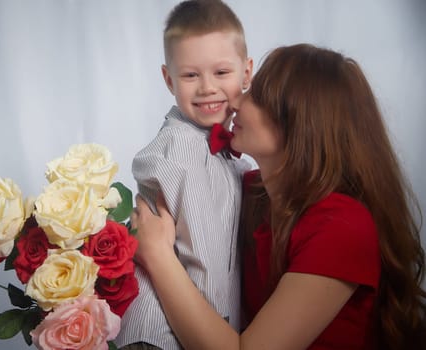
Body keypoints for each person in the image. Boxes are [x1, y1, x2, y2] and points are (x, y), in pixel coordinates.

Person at [131, 43, 426, 349]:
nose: (235, 100)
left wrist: (157, 254)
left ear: (301, 124)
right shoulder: (252, 193)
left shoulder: (343, 226)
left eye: (256, 97)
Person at [115, 1, 253, 349]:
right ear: (168, 79)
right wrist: (219, 332)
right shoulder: (184, 150)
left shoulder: (216, 148)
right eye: (191, 75)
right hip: (163, 335)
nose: (207, 87)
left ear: (247, 72)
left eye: (221, 73)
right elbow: (203, 257)